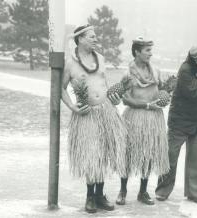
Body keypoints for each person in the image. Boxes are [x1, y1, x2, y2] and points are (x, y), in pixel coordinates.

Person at [61, 25, 127, 213]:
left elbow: (104, 84)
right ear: (80, 39)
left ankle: (100, 195)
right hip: (86, 114)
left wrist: (115, 99)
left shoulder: (101, 59)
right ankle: (90, 196)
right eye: (92, 36)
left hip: (106, 111)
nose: (96, 39)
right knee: (92, 154)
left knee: (104, 153)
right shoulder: (71, 62)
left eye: (95, 36)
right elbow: (62, 88)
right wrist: (73, 107)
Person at [155, 46, 197, 204]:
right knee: (170, 157)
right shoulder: (185, 69)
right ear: (195, 59)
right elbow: (194, 93)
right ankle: (162, 191)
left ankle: (194, 194)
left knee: (195, 160)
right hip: (180, 121)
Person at [109, 37, 170, 206]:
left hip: (154, 120)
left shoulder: (156, 71)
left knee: (149, 154)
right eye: (147, 50)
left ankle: (143, 192)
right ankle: (123, 190)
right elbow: (126, 99)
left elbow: (163, 90)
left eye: (151, 50)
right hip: (134, 117)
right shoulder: (128, 74)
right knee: (128, 153)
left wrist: (165, 97)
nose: (151, 53)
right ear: (137, 51)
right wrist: (146, 104)